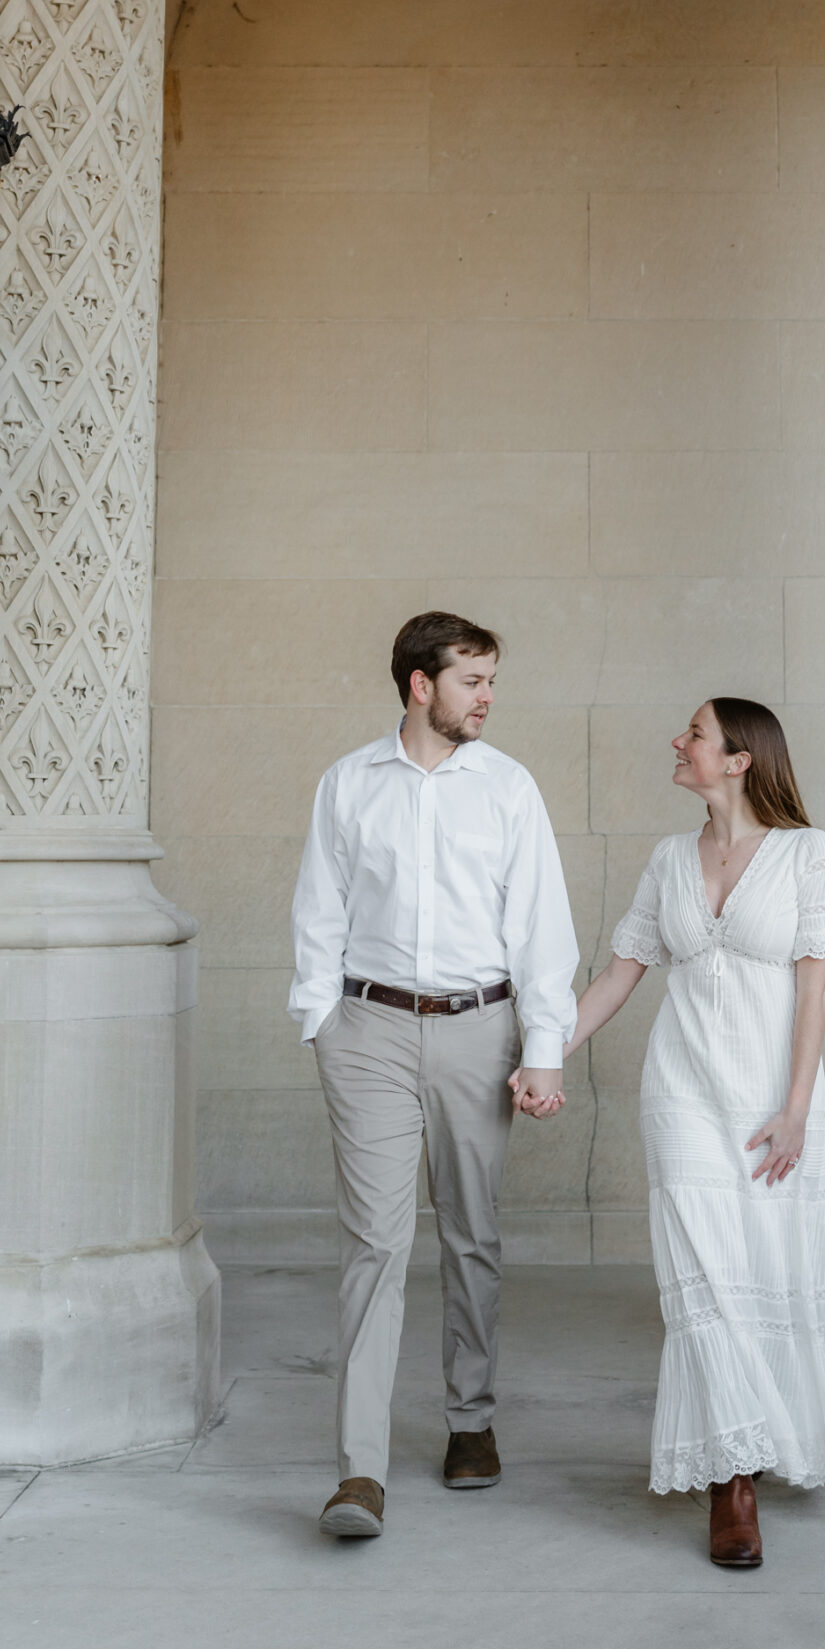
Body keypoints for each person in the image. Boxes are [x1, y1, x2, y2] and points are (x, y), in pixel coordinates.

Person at [521, 697, 825, 1567]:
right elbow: (617, 976)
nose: (678, 743)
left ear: (742, 759)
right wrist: (541, 1052)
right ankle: (732, 1487)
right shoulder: (670, 858)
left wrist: (794, 1109)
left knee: (763, 1272)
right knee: (703, 1283)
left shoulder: (808, 854)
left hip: (770, 1103)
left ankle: (758, 1441)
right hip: (681, 1094)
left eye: (696, 735)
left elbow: (815, 994)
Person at [290, 612, 577, 1540]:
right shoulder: (349, 783)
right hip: (367, 1027)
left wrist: (542, 1045)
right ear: (421, 686)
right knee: (375, 1244)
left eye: (491, 681)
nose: (486, 698)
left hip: (478, 1029)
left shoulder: (508, 788)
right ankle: (359, 1473)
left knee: (470, 1234)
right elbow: (319, 906)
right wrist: (319, 1021)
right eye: (471, 681)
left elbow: (540, 924)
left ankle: (471, 1420)